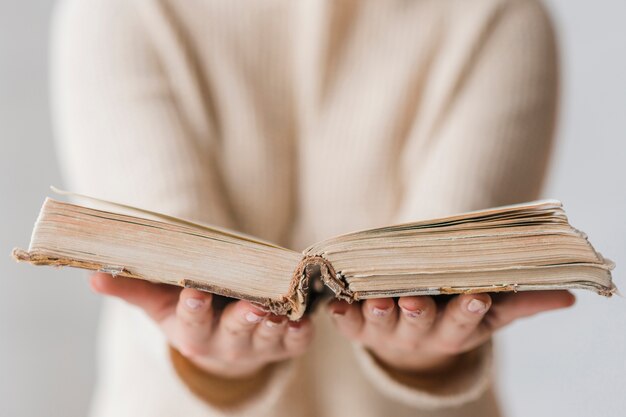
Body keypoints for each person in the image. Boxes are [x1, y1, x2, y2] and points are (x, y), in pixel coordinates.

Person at [51, 0, 575, 416]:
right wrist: (214, 358)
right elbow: (175, 272)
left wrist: (425, 354)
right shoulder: (119, 11)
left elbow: (440, 279)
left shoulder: (500, 17)